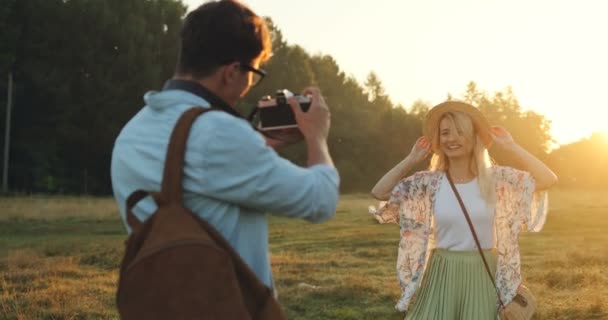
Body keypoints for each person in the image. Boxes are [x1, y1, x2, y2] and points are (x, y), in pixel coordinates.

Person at [111, 0, 339, 294]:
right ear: (231, 72)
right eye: (252, 75)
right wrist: (317, 136)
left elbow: (196, 180)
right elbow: (320, 200)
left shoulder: (132, 132)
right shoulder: (218, 133)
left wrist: (258, 144)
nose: (248, 87)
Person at [369, 101, 557, 319]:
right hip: (442, 274)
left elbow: (547, 179)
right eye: (445, 133)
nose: (452, 138)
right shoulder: (429, 183)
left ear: (474, 136)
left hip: (483, 273)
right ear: (438, 140)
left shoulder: (497, 179)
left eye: (460, 132)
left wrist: (511, 146)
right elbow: (380, 191)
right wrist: (412, 159)